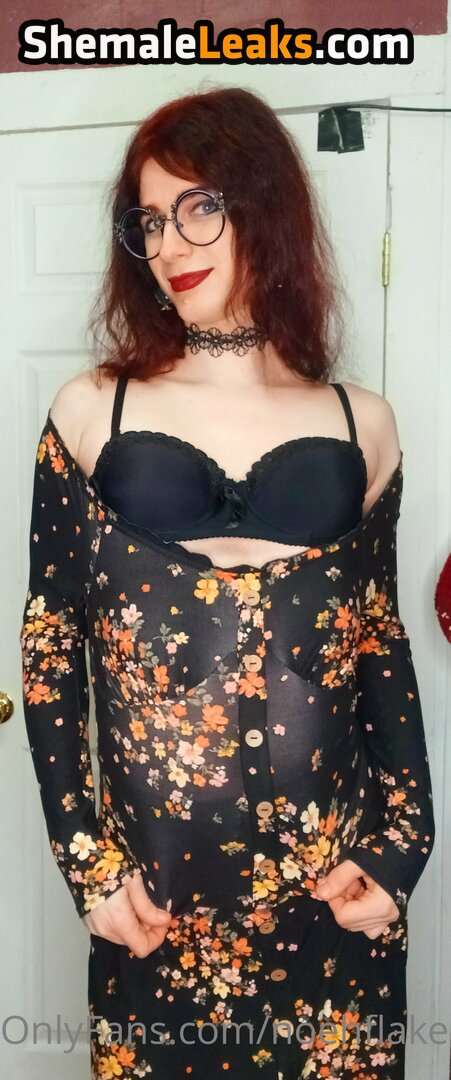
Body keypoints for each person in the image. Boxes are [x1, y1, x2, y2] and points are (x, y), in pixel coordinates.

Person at [19, 86, 435, 1080]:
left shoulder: (362, 422)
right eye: (150, 221)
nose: (170, 244)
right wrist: (87, 865)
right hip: (158, 904)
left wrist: (404, 849)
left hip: (334, 892)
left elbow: (379, 647)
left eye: (198, 206)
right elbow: (49, 646)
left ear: (263, 204)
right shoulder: (94, 411)